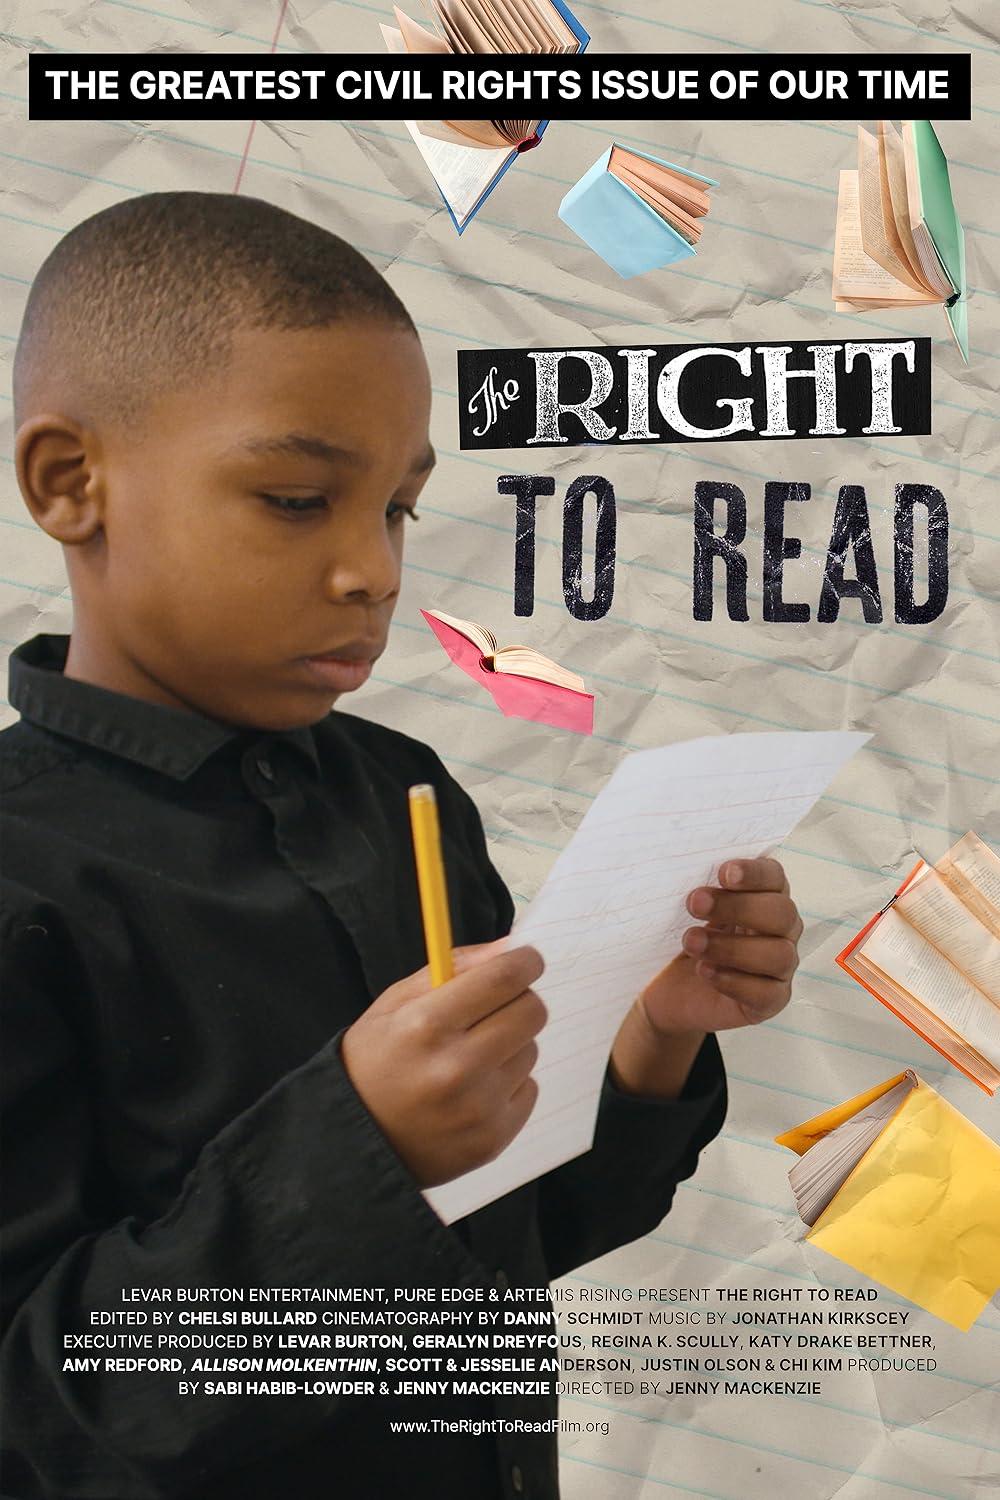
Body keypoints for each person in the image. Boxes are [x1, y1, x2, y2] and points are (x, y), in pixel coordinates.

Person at [0, 192, 804, 1499]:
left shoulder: (398, 795)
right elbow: (31, 1424)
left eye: (397, 510)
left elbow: (515, 1248)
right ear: (70, 483)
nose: (374, 570)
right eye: (298, 496)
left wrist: (652, 1037)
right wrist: (355, 1153)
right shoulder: (22, 874)